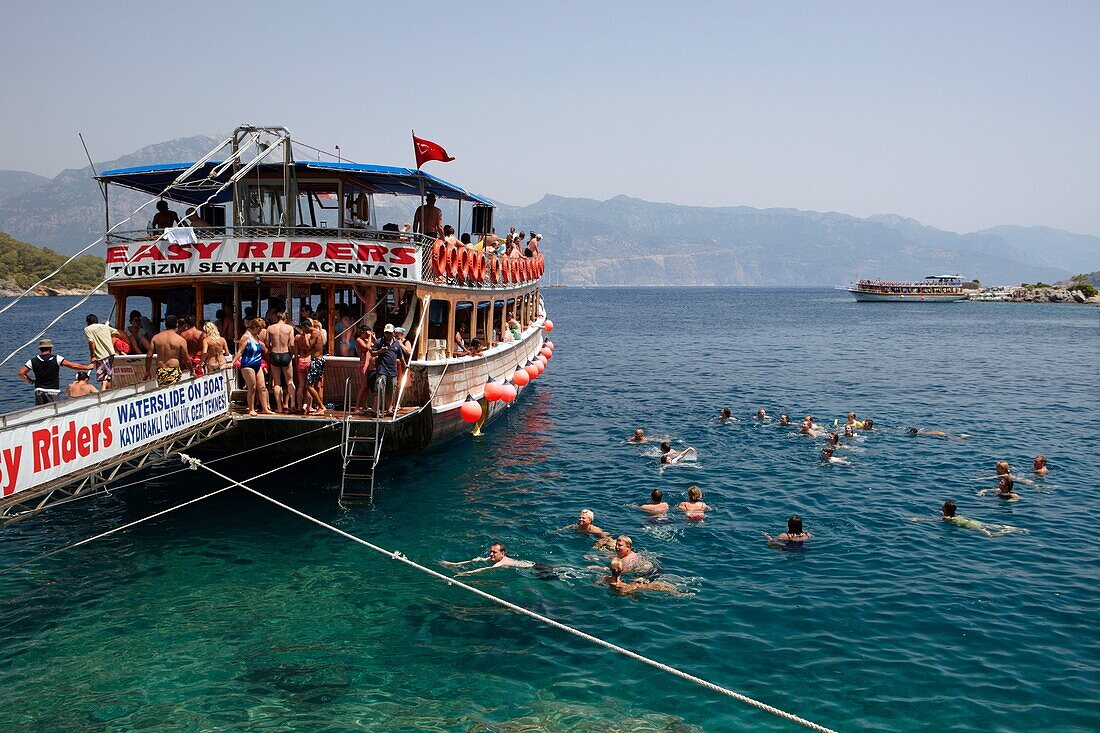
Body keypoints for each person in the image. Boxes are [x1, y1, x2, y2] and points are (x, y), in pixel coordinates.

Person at [19, 339, 92, 405]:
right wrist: (87, 367)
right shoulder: (57, 358)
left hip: (39, 391)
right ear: (51, 348)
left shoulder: (32, 361)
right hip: (53, 391)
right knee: (54, 412)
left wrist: (30, 381)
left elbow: (21, 373)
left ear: (40, 348)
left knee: (40, 411)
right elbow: (73, 366)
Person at [442, 542, 554, 578]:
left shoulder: (501, 562)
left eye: (494, 552)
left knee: (556, 576)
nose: (491, 554)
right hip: (532, 566)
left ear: (502, 553)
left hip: (537, 568)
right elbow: (475, 560)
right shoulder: (492, 558)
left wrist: (463, 574)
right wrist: (453, 564)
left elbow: (483, 570)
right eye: (491, 551)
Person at [233, 318, 272, 416]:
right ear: (255, 327)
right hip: (247, 364)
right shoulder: (246, 337)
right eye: (260, 328)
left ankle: (265, 408)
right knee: (252, 387)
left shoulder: (257, 336)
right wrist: (233, 362)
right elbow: (240, 352)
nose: (261, 330)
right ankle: (251, 408)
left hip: (257, 364)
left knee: (262, 387)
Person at [931, 500, 1026, 537]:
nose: (941, 506)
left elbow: (933, 520)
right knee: (995, 526)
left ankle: (1008, 532)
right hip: (975, 522)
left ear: (946, 509)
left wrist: (917, 520)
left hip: (971, 526)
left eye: (943, 506)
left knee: (991, 536)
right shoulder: (956, 515)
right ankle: (1017, 529)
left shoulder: (946, 518)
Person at [601, 557, 684, 597]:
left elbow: (598, 583)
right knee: (657, 585)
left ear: (610, 568)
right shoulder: (625, 586)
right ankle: (676, 593)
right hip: (625, 589)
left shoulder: (605, 579)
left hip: (619, 590)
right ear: (622, 569)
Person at [146, 315, 191, 387]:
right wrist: (192, 371)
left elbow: (149, 356)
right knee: (173, 392)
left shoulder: (156, 337)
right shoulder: (180, 340)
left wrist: (147, 371)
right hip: (173, 369)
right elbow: (186, 359)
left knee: (162, 390)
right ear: (177, 324)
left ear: (165, 324)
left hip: (161, 370)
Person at [371, 323, 405, 416]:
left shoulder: (396, 343)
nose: (388, 335)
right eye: (386, 333)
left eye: (389, 333)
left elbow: (401, 357)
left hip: (393, 372)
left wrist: (405, 366)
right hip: (382, 370)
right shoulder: (379, 341)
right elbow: (372, 353)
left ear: (393, 333)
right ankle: (375, 410)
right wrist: (380, 351)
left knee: (390, 391)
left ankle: (389, 410)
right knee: (379, 390)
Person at [265, 311, 296, 413]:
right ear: (285, 319)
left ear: (276, 318)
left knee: (277, 383)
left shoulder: (270, 328)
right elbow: (291, 343)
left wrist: (270, 351)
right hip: (285, 353)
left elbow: (267, 343)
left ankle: (279, 407)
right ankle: (292, 404)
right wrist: (292, 354)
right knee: (290, 381)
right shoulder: (289, 328)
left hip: (274, 354)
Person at [84, 314, 121, 390]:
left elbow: (91, 342)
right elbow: (117, 333)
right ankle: (108, 391)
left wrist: (93, 356)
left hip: (101, 356)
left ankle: (104, 392)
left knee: (104, 378)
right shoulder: (105, 326)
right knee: (108, 376)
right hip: (110, 354)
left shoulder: (88, 329)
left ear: (88, 322)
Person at [301, 318, 327, 416]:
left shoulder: (314, 333)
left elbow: (308, 347)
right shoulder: (318, 332)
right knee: (317, 386)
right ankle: (319, 407)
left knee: (309, 385)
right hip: (319, 361)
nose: (304, 331)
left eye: (304, 329)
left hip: (316, 361)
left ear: (306, 327)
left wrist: (306, 337)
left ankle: (321, 406)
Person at [354, 325, 375, 413]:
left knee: (368, 387)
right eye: (366, 333)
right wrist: (369, 337)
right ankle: (357, 407)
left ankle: (364, 405)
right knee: (364, 386)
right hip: (363, 365)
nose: (367, 335)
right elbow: (366, 348)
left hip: (369, 365)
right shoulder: (359, 340)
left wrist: (373, 337)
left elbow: (376, 345)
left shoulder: (368, 340)